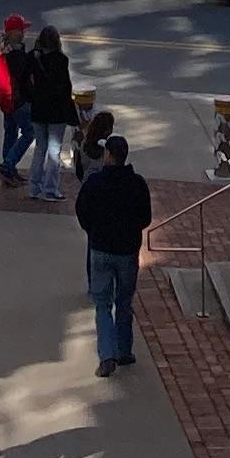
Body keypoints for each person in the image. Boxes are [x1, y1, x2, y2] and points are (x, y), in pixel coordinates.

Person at [74, 132, 154, 373]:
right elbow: (145, 218)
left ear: (109, 154)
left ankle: (106, 354)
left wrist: (94, 232)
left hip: (100, 249)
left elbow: (82, 211)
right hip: (127, 251)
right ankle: (124, 350)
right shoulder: (137, 183)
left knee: (102, 303)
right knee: (124, 302)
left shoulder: (95, 183)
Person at [21, 26, 78, 203]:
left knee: (40, 148)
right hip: (56, 112)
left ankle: (34, 187)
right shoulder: (61, 60)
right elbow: (65, 88)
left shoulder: (32, 57)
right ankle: (50, 189)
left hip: (38, 109)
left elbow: (24, 81)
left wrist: (32, 98)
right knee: (54, 151)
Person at [0, 15, 36, 188]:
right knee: (29, 132)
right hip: (17, 100)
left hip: (5, 98)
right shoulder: (15, 53)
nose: (24, 33)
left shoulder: (0, 48)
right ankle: (8, 165)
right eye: (22, 29)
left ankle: (9, 169)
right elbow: (23, 76)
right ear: (14, 32)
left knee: (10, 131)